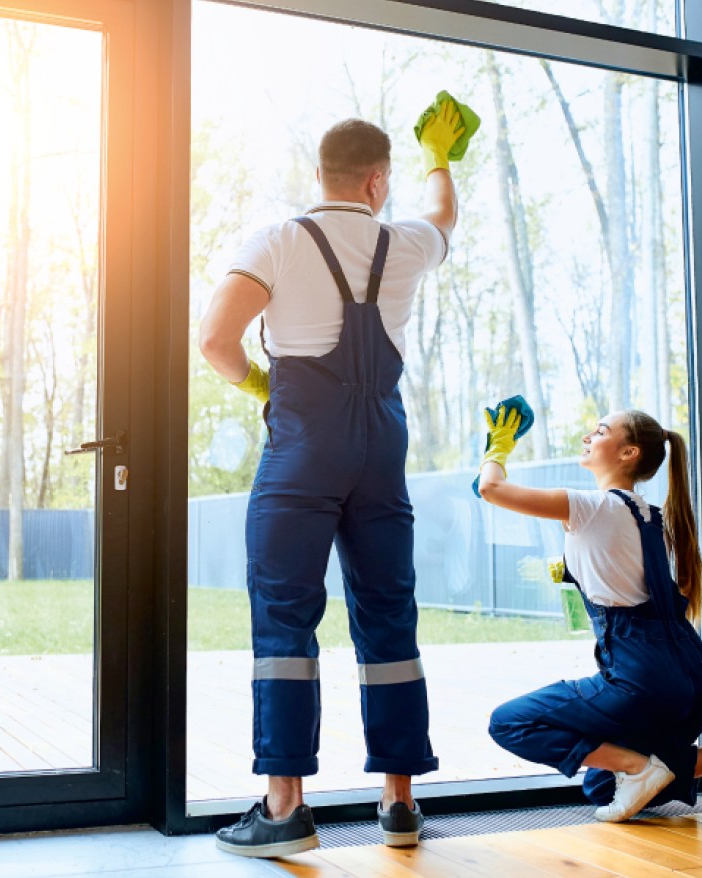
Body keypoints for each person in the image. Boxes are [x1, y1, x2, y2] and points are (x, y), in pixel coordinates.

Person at [198, 96, 470, 857]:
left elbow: (215, 340)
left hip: (302, 453)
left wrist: (260, 383)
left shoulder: (278, 240)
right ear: (378, 182)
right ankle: (400, 804)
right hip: (381, 452)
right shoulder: (408, 241)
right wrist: (442, 155)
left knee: (286, 620)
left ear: (321, 175)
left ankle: (286, 812)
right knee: (389, 616)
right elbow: (446, 214)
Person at [474, 401, 702, 822]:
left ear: (629, 453)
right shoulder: (653, 515)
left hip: (642, 679)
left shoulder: (594, 506)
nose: (587, 437)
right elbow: (627, 577)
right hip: (693, 678)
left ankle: (640, 766)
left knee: (509, 723)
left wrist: (496, 450)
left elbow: (491, 489)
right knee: (601, 784)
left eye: (599, 431)